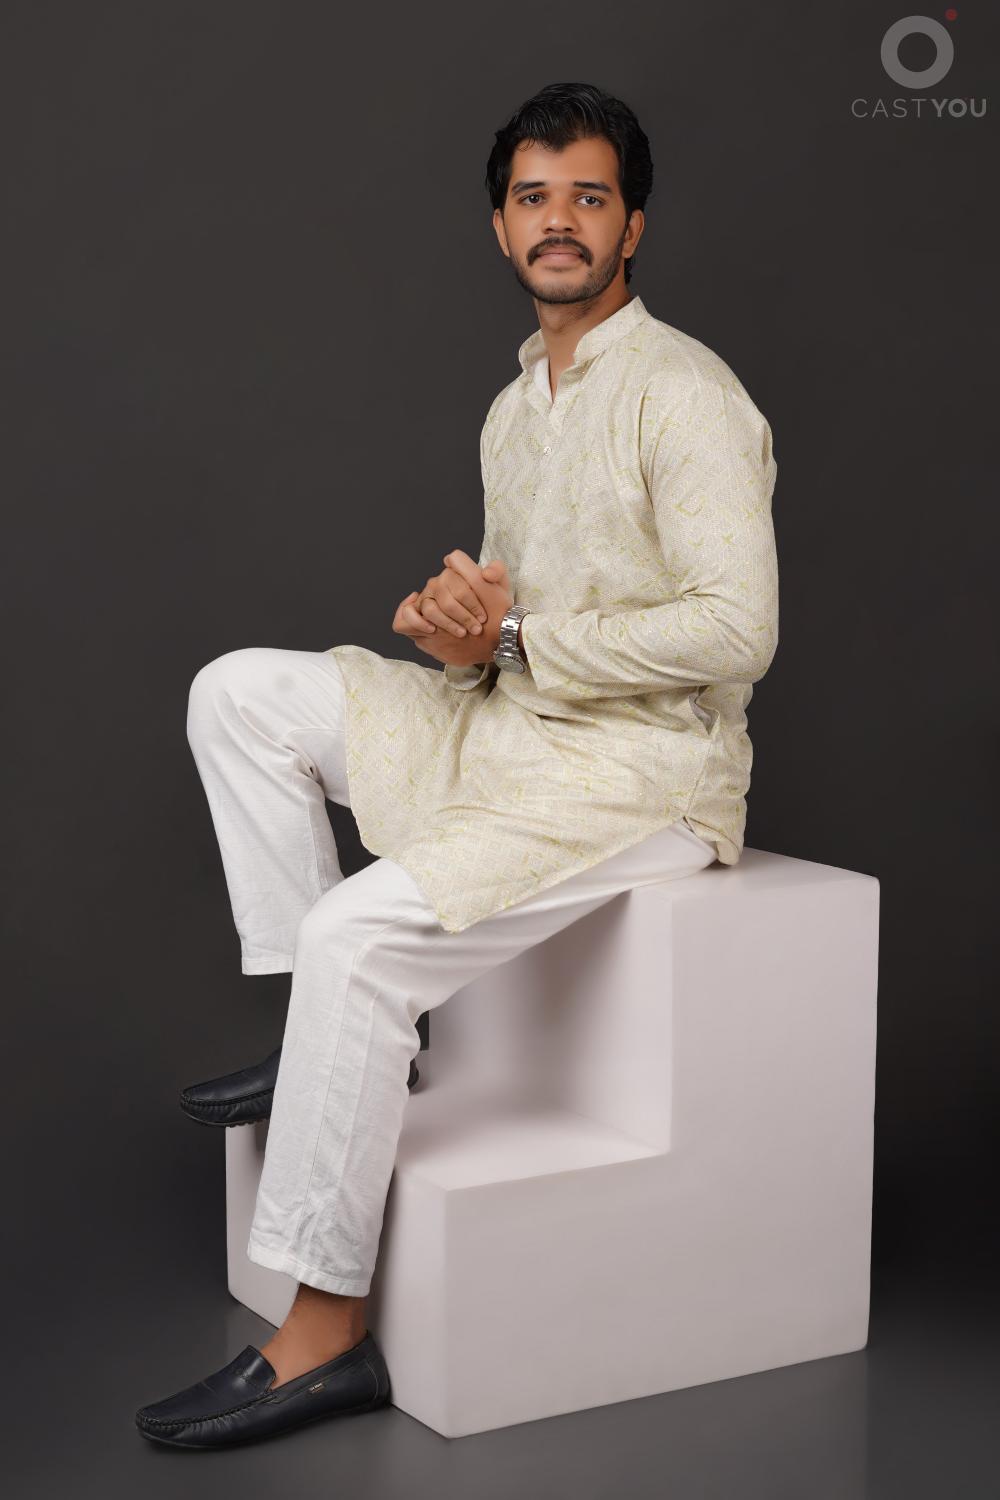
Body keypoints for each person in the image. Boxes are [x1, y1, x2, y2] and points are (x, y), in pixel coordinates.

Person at [134, 79, 779, 1449]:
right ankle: (320, 1030)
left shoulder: (687, 393)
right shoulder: (515, 404)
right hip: (508, 721)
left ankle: (322, 1335)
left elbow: (740, 629)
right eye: (535, 197)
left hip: (642, 772)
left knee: (360, 935)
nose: (561, 221)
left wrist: (522, 637)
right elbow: (508, 629)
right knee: (237, 693)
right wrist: (463, 635)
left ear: (633, 226)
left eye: (590, 197)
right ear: (501, 226)